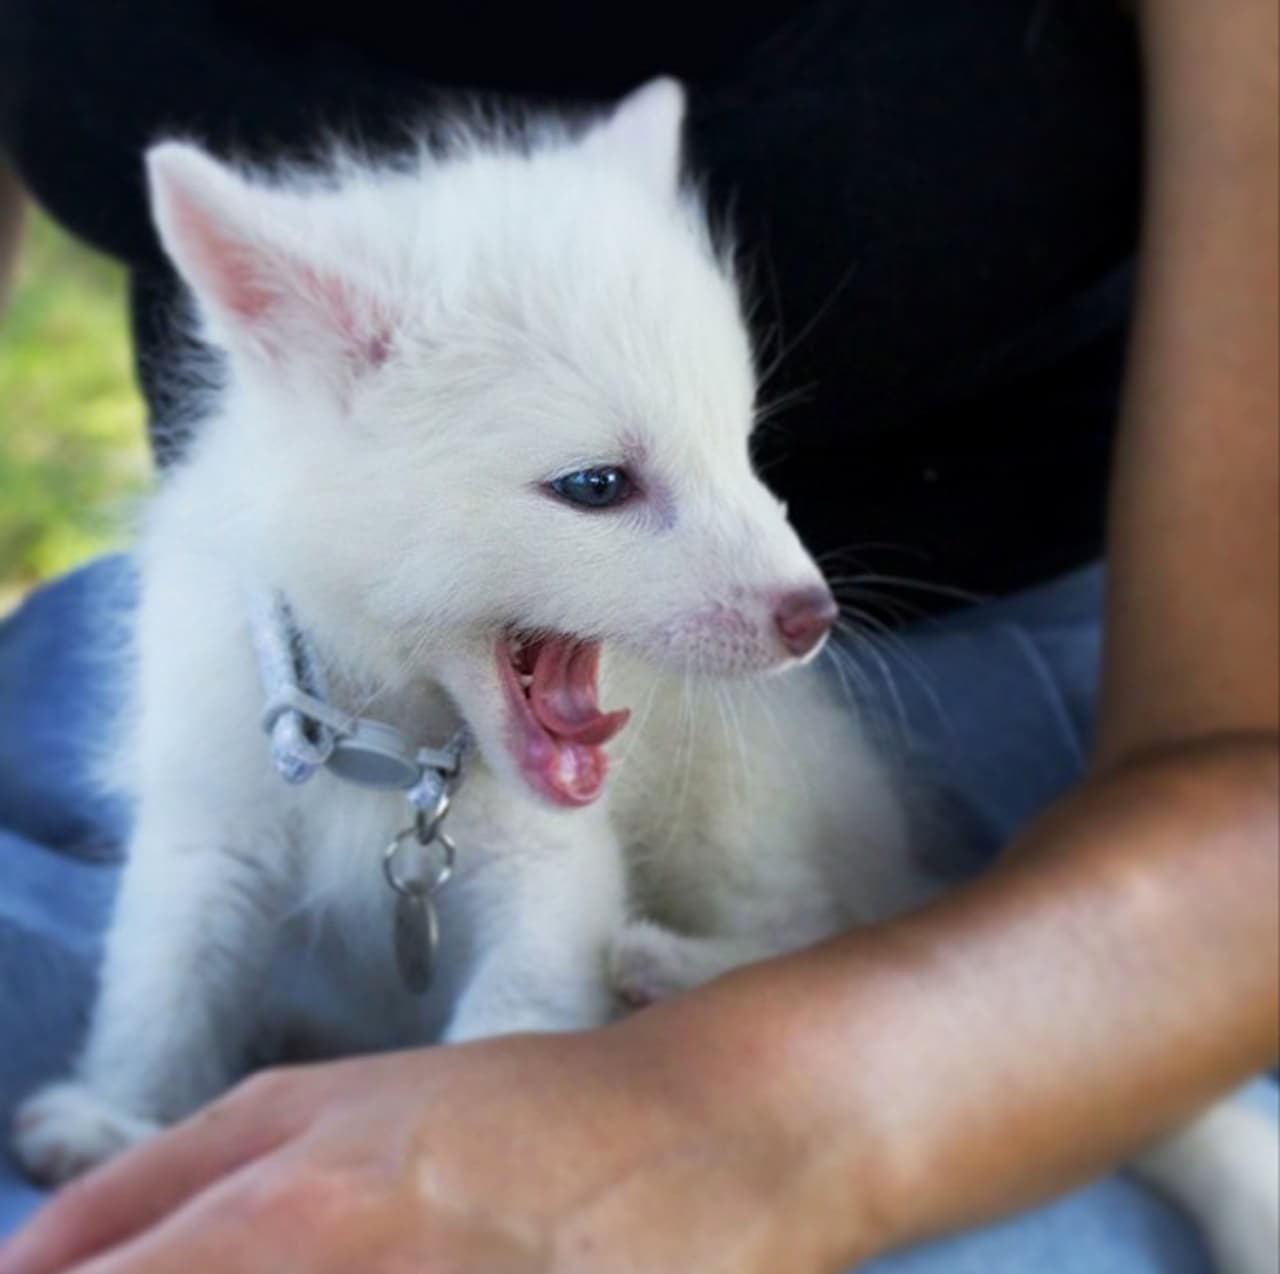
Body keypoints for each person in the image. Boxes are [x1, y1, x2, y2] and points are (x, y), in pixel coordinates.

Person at [0, 1, 1275, 1271]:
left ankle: (780, 948)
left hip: (1117, 821)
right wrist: (138, 1114)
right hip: (277, 879)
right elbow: (204, 854)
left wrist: (661, 1107)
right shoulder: (237, 578)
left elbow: (542, 911)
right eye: (598, 489)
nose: (798, 584)